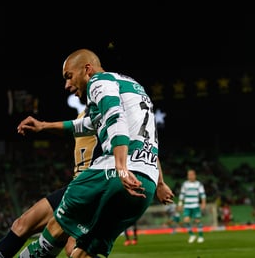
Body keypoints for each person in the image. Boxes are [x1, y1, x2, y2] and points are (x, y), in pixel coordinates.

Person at [18, 48, 174, 258]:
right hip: (146, 183)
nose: (67, 85)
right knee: (83, 253)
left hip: (111, 174)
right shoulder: (133, 88)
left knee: (57, 227)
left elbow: (114, 116)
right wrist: (44, 126)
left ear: (87, 69)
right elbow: (95, 125)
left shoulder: (98, 82)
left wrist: (120, 167)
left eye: (69, 76)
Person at [0, 108, 102, 258]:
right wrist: (42, 127)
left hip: (93, 186)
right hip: (75, 186)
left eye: (68, 81)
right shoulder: (84, 113)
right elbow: (72, 130)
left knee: (73, 249)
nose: (67, 86)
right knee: (22, 224)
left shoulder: (106, 106)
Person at [177, 169, 206, 244]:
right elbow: (182, 195)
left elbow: (202, 194)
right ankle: (192, 235)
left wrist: (203, 203)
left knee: (197, 221)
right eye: (189, 175)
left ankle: (200, 236)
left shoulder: (198, 184)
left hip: (195, 205)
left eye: (191, 174)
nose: (190, 176)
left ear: (194, 175)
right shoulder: (185, 184)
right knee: (186, 220)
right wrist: (180, 204)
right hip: (187, 206)